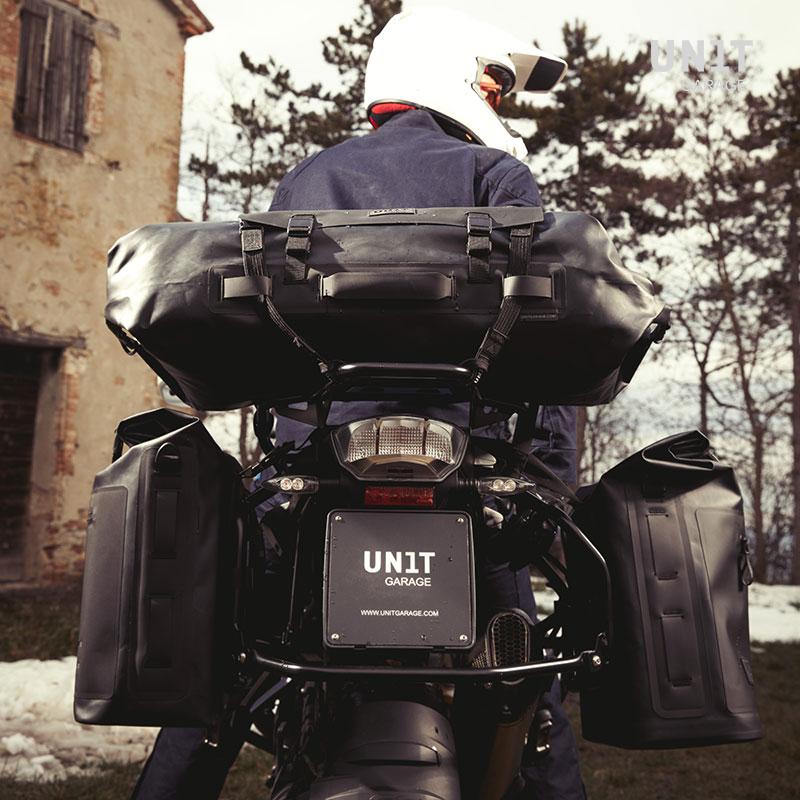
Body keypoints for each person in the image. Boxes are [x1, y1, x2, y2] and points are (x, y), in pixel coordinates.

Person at [132, 8, 583, 799]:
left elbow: (272, 328)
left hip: (320, 472)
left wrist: (283, 454)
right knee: (524, 689)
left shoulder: (310, 178)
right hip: (465, 474)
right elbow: (543, 336)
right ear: (448, 71)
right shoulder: (498, 177)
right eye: (492, 83)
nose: (498, 101)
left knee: (225, 668)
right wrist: (547, 482)